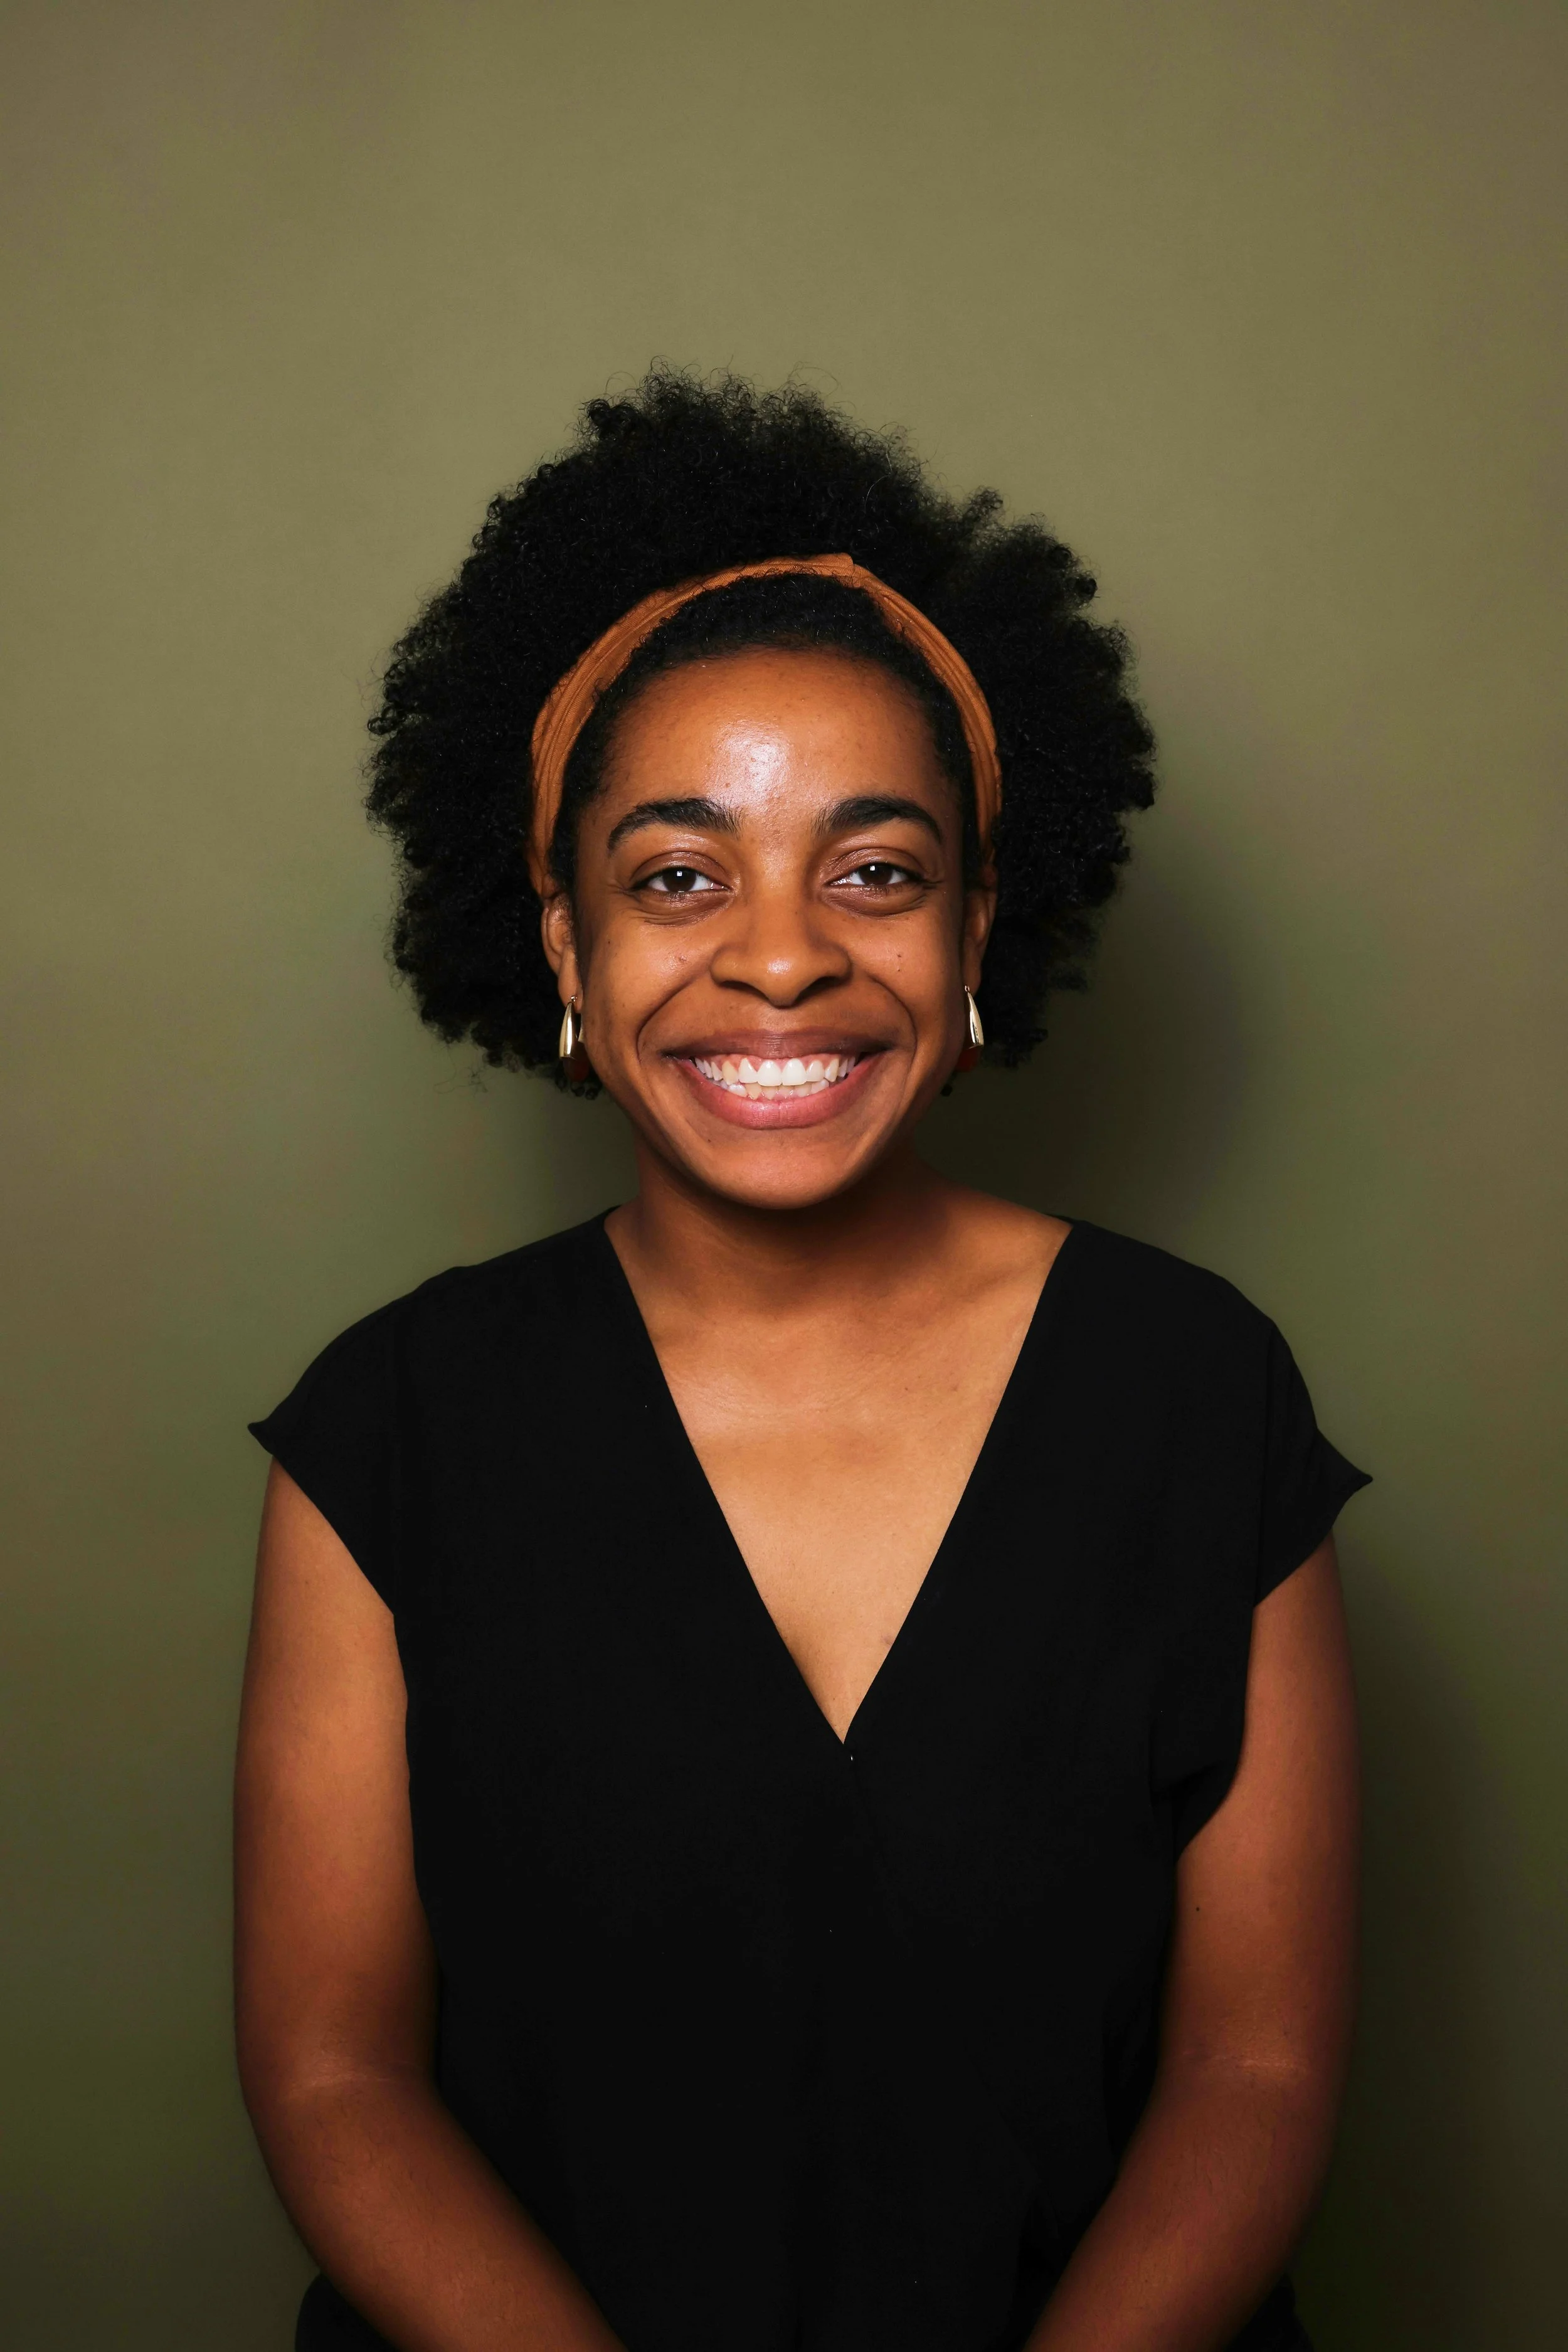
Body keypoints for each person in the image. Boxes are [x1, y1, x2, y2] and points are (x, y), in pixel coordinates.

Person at [235, 371, 1368, 2352]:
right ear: (565, 943)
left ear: (977, 927)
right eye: (678, 874)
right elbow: (336, 2074)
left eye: (875, 869)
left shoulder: (1200, 1396)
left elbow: (1253, 2070)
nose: (779, 957)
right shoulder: (390, 1429)